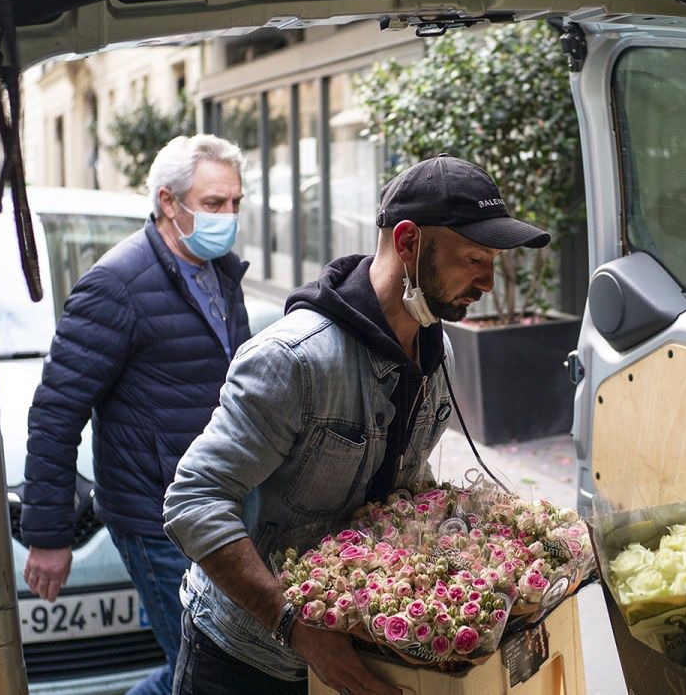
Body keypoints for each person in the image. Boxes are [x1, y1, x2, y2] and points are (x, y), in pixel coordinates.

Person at [163, 154, 550, 695]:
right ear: (409, 242)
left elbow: (394, 504)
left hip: (364, 660)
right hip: (250, 661)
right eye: (472, 258)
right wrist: (295, 627)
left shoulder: (438, 355)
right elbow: (193, 502)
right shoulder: (292, 359)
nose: (487, 281)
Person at [21, 134, 252, 695]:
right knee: (207, 671)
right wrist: (47, 535)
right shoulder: (116, 284)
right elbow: (56, 411)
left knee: (205, 667)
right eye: (213, 203)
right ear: (168, 202)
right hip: (156, 517)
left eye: (235, 204)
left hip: (215, 504)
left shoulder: (221, 272)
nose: (228, 216)